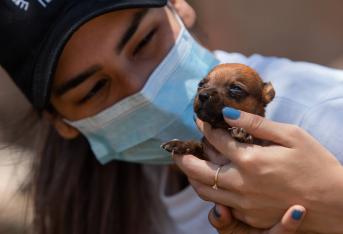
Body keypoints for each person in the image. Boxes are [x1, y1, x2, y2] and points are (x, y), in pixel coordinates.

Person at [0, 0, 343, 233]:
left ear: (179, 5)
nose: (142, 90)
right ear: (61, 122)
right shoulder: (98, 203)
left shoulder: (320, 116)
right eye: (93, 89)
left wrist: (332, 206)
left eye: (144, 41)